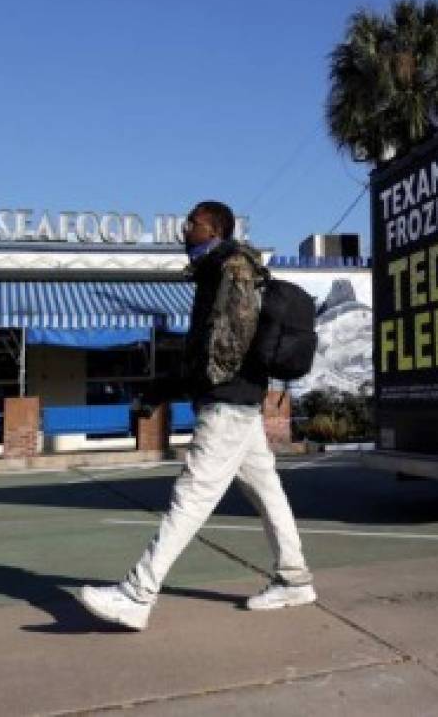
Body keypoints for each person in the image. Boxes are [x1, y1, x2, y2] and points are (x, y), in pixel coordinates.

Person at [80, 201, 315, 630]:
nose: (184, 229)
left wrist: (166, 388)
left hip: (226, 403)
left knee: (192, 496)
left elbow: (214, 350)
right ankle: (294, 579)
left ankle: (137, 593)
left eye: (193, 223)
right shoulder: (233, 269)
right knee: (268, 492)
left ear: (214, 230)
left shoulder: (224, 270)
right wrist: (165, 391)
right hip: (241, 401)